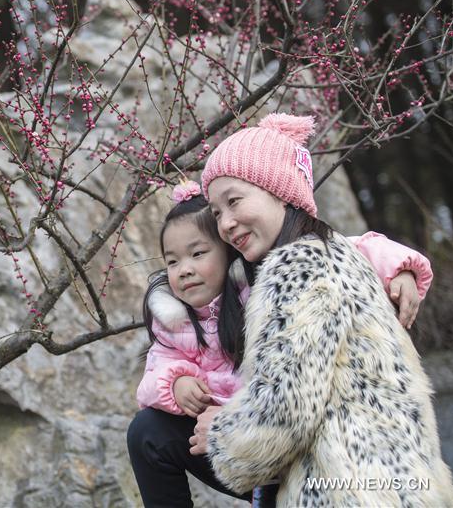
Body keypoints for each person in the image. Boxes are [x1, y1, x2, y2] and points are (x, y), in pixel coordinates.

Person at [190, 113, 453, 506]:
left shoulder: (297, 268)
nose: (226, 223)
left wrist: (221, 432)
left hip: (347, 491)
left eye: (234, 201)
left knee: (152, 435)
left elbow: (284, 413)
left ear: (279, 190)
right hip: (397, 485)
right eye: (216, 212)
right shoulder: (335, 254)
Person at [128, 177, 434, 507]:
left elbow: (354, 247)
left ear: (229, 252)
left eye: (198, 253)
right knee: (147, 431)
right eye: (172, 262)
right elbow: (153, 375)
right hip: (236, 447)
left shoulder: (267, 281)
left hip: (293, 450)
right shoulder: (174, 320)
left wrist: (401, 269)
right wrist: (175, 383)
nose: (185, 270)